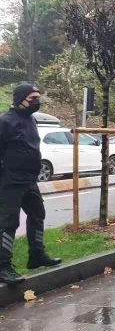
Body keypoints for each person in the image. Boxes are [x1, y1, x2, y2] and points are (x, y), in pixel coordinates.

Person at [0, 84, 62, 285]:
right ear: (20, 99)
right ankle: (3, 266)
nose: (37, 101)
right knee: (8, 223)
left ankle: (36, 256)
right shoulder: (5, 121)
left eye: (38, 96)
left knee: (37, 214)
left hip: (29, 180)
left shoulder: (31, 120)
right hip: (10, 182)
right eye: (33, 97)